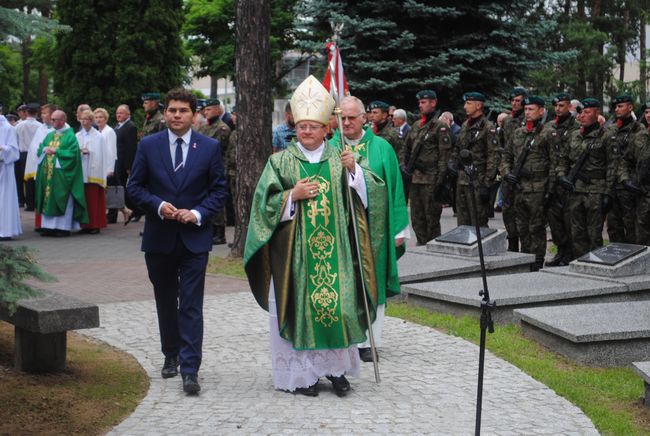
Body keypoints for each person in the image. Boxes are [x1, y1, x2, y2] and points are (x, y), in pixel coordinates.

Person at [244, 75, 380, 397]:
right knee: (300, 310)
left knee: (338, 308)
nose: (306, 131)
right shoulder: (279, 161)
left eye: (313, 126)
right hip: (295, 256)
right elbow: (262, 204)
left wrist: (354, 172)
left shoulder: (341, 158)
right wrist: (292, 195)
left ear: (325, 129)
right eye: (302, 126)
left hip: (338, 255)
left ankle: (335, 371)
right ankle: (303, 376)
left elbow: (371, 193)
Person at [127, 88, 228, 395]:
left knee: (192, 305)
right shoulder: (149, 145)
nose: (176, 115)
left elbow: (219, 191)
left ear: (193, 114)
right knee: (166, 300)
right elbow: (134, 189)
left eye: (182, 110)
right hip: (159, 238)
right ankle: (170, 352)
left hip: (195, 239)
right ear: (166, 112)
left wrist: (197, 213)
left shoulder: (209, 147)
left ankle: (190, 369)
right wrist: (158, 206)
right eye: (171, 110)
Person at [331, 95, 409, 363]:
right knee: (345, 284)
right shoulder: (330, 147)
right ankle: (345, 336)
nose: (347, 122)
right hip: (340, 230)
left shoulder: (382, 148)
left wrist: (400, 229)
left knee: (372, 281)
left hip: (374, 229)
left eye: (352, 117)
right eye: (342, 118)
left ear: (364, 118)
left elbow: (395, 188)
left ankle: (368, 341)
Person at [557, 98, 615, 258]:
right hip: (575, 190)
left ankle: (596, 265)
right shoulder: (574, 136)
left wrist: (608, 193)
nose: (582, 116)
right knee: (576, 233)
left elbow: (612, 166)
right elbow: (563, 159)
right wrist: (562, 176)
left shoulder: (606, 137)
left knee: (594, 234)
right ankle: (580, 264)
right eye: (580, 112)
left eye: (587, 112)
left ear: (597, 114)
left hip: (595, 192)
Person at [502, 96, 553, 270]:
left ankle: (537, 261)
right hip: (519, 188)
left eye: (531, 109)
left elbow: (555, 163)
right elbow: (506, 156)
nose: (527, 113)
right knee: (521, 227)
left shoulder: (548, 133)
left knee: (536, 227)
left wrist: (550, 190)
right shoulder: (519, 133)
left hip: (538, 188)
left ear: (541, 111)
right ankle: (525, 259)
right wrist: (507, 173)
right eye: (525, 110)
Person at [401, 90, 453, 244]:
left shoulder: (441, 126)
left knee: (431, 219)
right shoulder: (417, 125)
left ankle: (433, 250)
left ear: (433, 103)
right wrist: (404, 165)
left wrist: (440, 182)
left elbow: (445, 156)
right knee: (417, 218)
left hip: (432, 180)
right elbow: (406, 148)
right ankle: (421, 245)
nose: (420, 105)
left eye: (423, 102)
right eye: (419, 103)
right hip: (416, 179)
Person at [451, 92, 501, 227]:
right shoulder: (465, 125)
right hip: (462, 180)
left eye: (468, 103)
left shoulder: (488, 127)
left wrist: (486, 184)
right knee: (462, 223)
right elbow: (458, 148)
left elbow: (494, 156)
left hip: (477, 181)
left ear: (478, 105)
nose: (465, 106)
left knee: (478, 223)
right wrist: (453, 165)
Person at [35, 110, 88, 237]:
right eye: (51, 119)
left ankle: (62, 228)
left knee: (62, 198)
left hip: (62, 175)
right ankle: (48, 227)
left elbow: (73, 155)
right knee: (48, 199)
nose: (51, 121)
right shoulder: (50, 135)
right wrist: (44, 149)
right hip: (48, 173)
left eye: (54, 120)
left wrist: (56, 151)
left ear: (63, 120)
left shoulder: (70, 136)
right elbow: (40, 148)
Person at [606, 94, 647, 244]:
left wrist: (630, 181)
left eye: (620, 106)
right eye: (615, 107)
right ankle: (616, 259)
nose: (617, 109)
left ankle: (631, 260)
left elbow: (639, 161)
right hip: (611, 185)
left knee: (630, 225)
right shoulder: (610, 130)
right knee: (613, 225)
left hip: (628, 186)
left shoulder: (638, 130)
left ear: (630, 108)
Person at [545, 93, 580, 266]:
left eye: (562, 106)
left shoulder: (577, 126)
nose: (558, 109)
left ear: (569, 107)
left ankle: (571, 253)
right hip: (551, 180)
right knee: (554, 220)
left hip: (568, 179)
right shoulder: (549, 126)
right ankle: (561, 250)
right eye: (556, 106)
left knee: (569, 219)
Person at [198, 99, 232, 244]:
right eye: (205, 110)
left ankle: (220, 232)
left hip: (217, 168)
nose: (207, 112)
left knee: (217, 200)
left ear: (218, 110)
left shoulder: (222, 128)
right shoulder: (204, 127)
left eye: (210, 109)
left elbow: (217, 148)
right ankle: (209, 229)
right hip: (203, 168)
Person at [619, 100, 650, 245]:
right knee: (641, 234)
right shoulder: (640, 135)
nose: (649, 115)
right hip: (641, 193)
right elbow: (625, 160)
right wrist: (626, 180)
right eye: (646, 112)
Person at [501, 87, 527, 252]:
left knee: (522, 214)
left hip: (524, 175)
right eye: (513, 100)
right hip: (508, 173)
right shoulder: (508, 121)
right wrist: (505, 171)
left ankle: (526, 250)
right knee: (507, 211)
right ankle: (511, 245)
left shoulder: (528, 120)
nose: (514, 103)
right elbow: (503, 149)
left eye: (518, 101)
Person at [76, 109, 111, 234]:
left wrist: (89, 152)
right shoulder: (77, 136)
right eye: (82, 119)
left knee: (93, 200)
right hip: (81, 171)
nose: (84, 122)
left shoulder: (98, 136)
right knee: (83, 199)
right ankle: (84, 225)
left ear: (91, 121)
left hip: (93, 173)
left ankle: (95, 225)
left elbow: (102, 155)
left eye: (86, 119)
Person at [107, 104, 139, 224]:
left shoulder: (130, 127)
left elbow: (131, 148)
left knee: (122, 188)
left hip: (123, 163)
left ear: (128, 114)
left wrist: (129, 166)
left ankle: (137, 209)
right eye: (117, 113)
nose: (118, 115)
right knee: (116, 188)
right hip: (115, 162)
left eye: (121, 113)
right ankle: (113, 214)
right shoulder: (117, 126)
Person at [0, 108, 22, 240]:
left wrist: (3, 148)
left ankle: (5, 231)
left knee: (4, 200)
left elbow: (14, 151)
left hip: (4, 168)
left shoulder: (8, 128)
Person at [15, 103, 41, 209]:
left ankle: (21, 201)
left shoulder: (18, 125)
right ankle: (32, 202)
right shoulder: (40, 126)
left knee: (20, 179)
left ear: (26, 112)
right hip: (35, 154)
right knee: (32, 178)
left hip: (22, 153)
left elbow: (15, 140)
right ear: (36, 113)